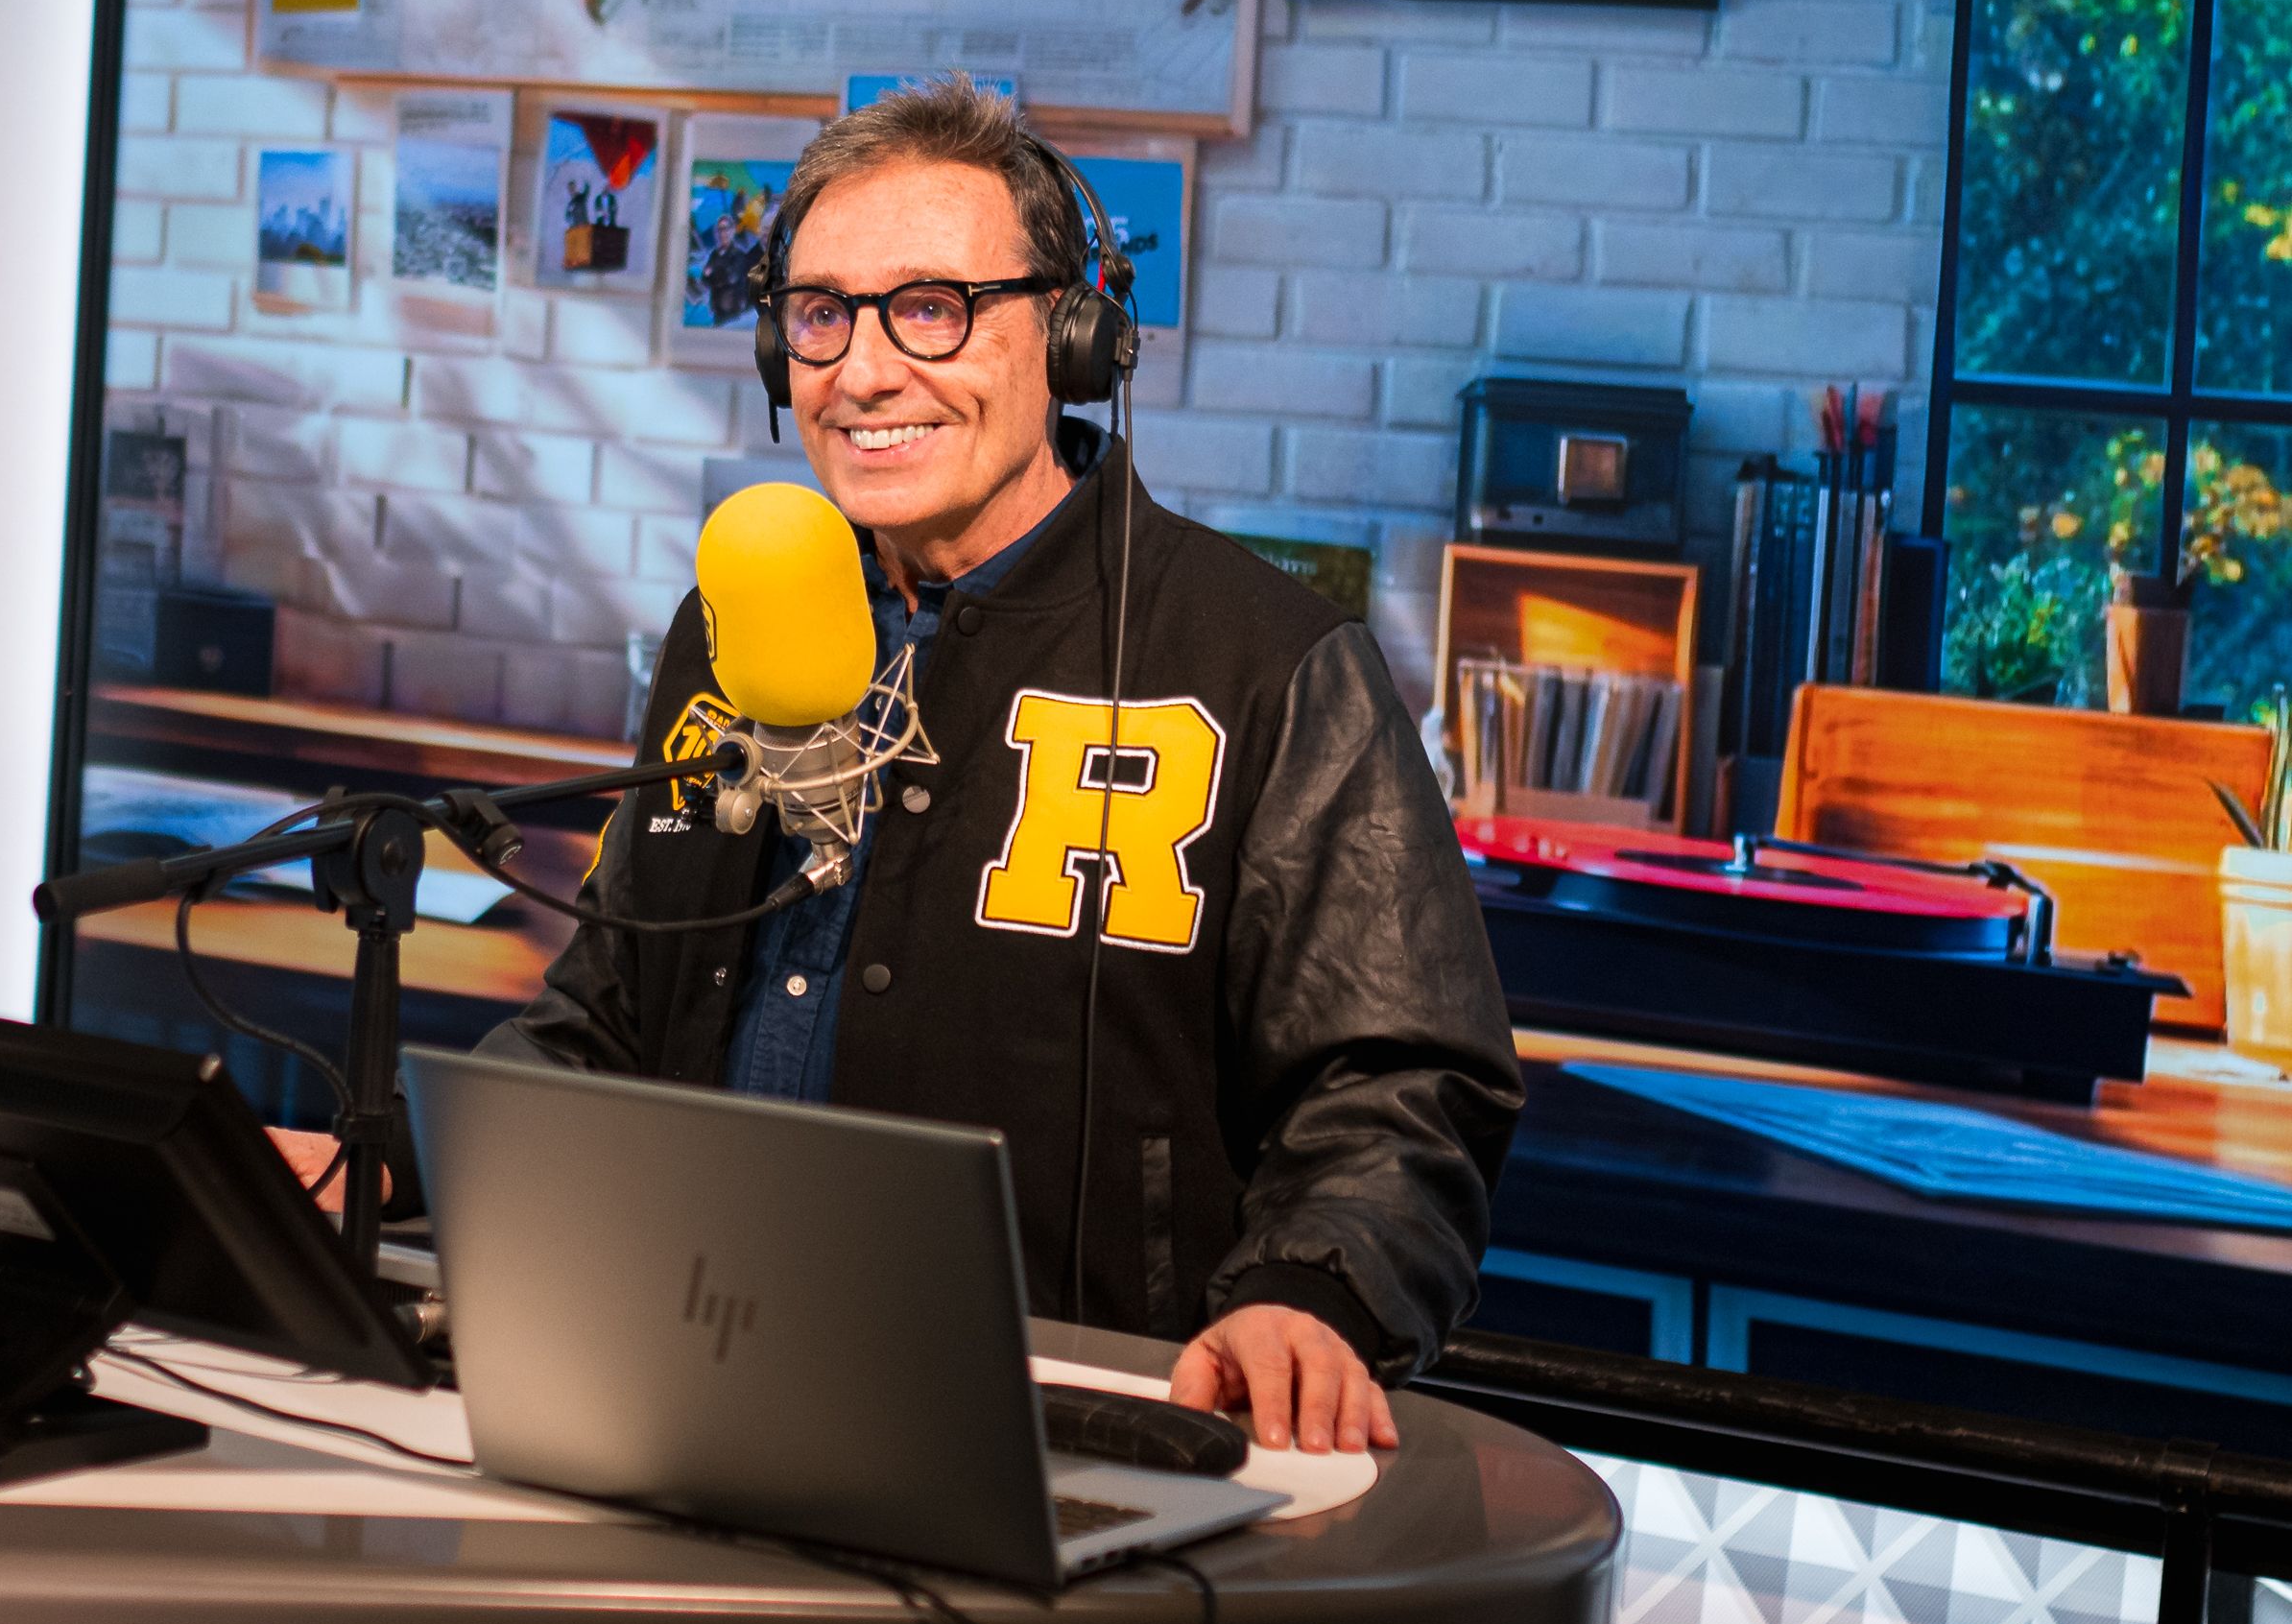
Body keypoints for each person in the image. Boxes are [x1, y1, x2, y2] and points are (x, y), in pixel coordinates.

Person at [307, 79, 1521, 1458]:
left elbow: (1402, 1086)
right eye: (821, 314)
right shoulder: (733, 629)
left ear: (1071, 335)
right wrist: (391, 1154)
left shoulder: (1265, 661)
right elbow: (615, 1014)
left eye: (933, 307)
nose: (865, 372)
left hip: (1071, 1438)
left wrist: (1313, 1291)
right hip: (678, 1385)